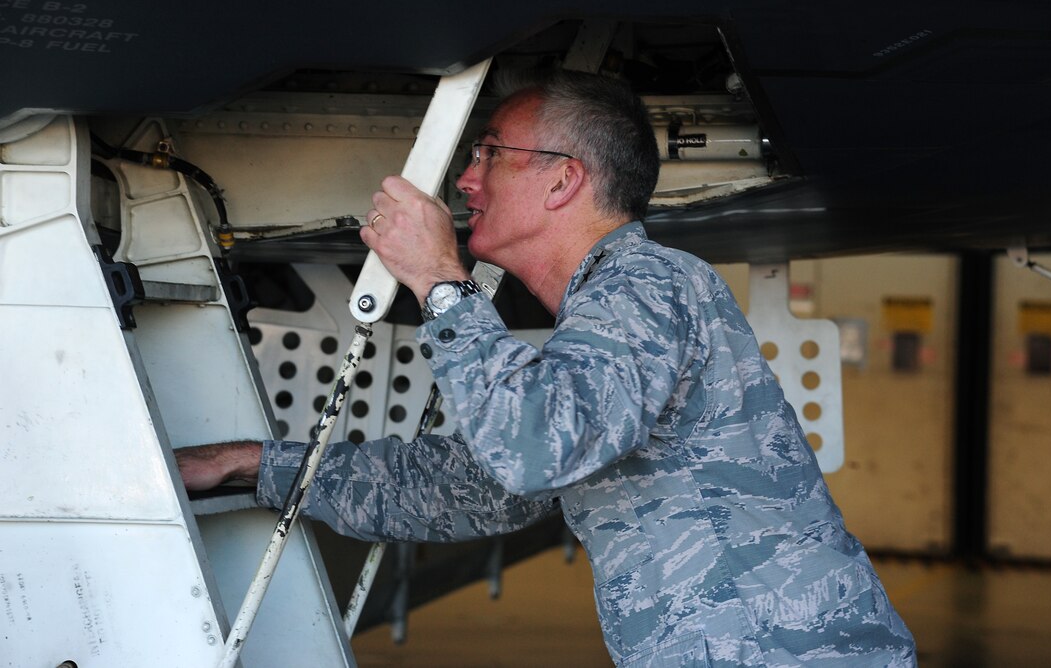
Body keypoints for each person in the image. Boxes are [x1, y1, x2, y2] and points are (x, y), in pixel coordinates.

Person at [177, 70, 916, 666]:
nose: (466, 181)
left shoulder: (648, 284)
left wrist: (439, 278)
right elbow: (477, 487)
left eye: (489, 153)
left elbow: (535, 447)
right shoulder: (609, 321)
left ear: (563, 181)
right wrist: (251, 466)